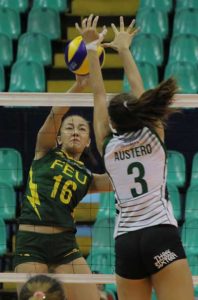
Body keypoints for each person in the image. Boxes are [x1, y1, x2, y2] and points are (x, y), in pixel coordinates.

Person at [76, 15, 195, 300]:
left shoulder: (108, 145)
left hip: (126, 242)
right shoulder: (154, 136)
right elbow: (137, 86)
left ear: (114, 123)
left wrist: (92, 49)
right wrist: (125, 49)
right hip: (159, 233)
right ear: (142, 113)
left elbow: (97, 94)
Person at [14, 75, 112, 300]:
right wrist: (79, 86)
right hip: (31, 239)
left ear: (89, 141)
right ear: (58, 137)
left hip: (65, 245)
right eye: (69, 128)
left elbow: (118, 180)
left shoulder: (88, 178)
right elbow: (55, 114)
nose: (75, 131)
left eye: (82, 129)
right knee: (33, 297)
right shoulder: (45, 150)